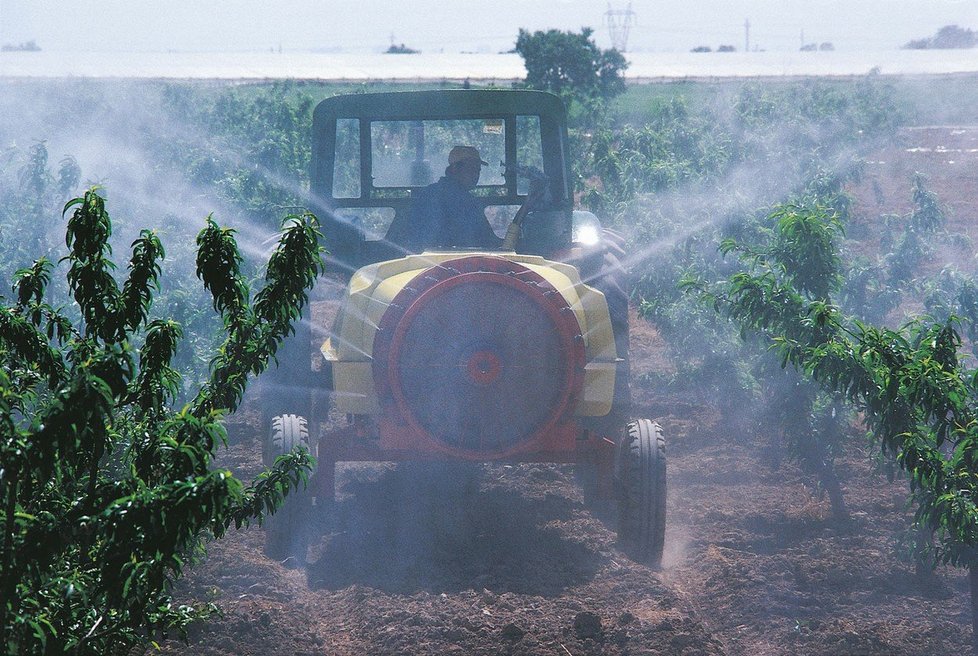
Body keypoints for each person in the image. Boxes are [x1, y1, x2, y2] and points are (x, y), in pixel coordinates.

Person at [391, 145, 502, 253]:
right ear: (454, 169)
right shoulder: (468, 202)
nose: (475, 175)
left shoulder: (426, 193)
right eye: (471, 169)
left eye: (478, 170)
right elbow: (484, 241)